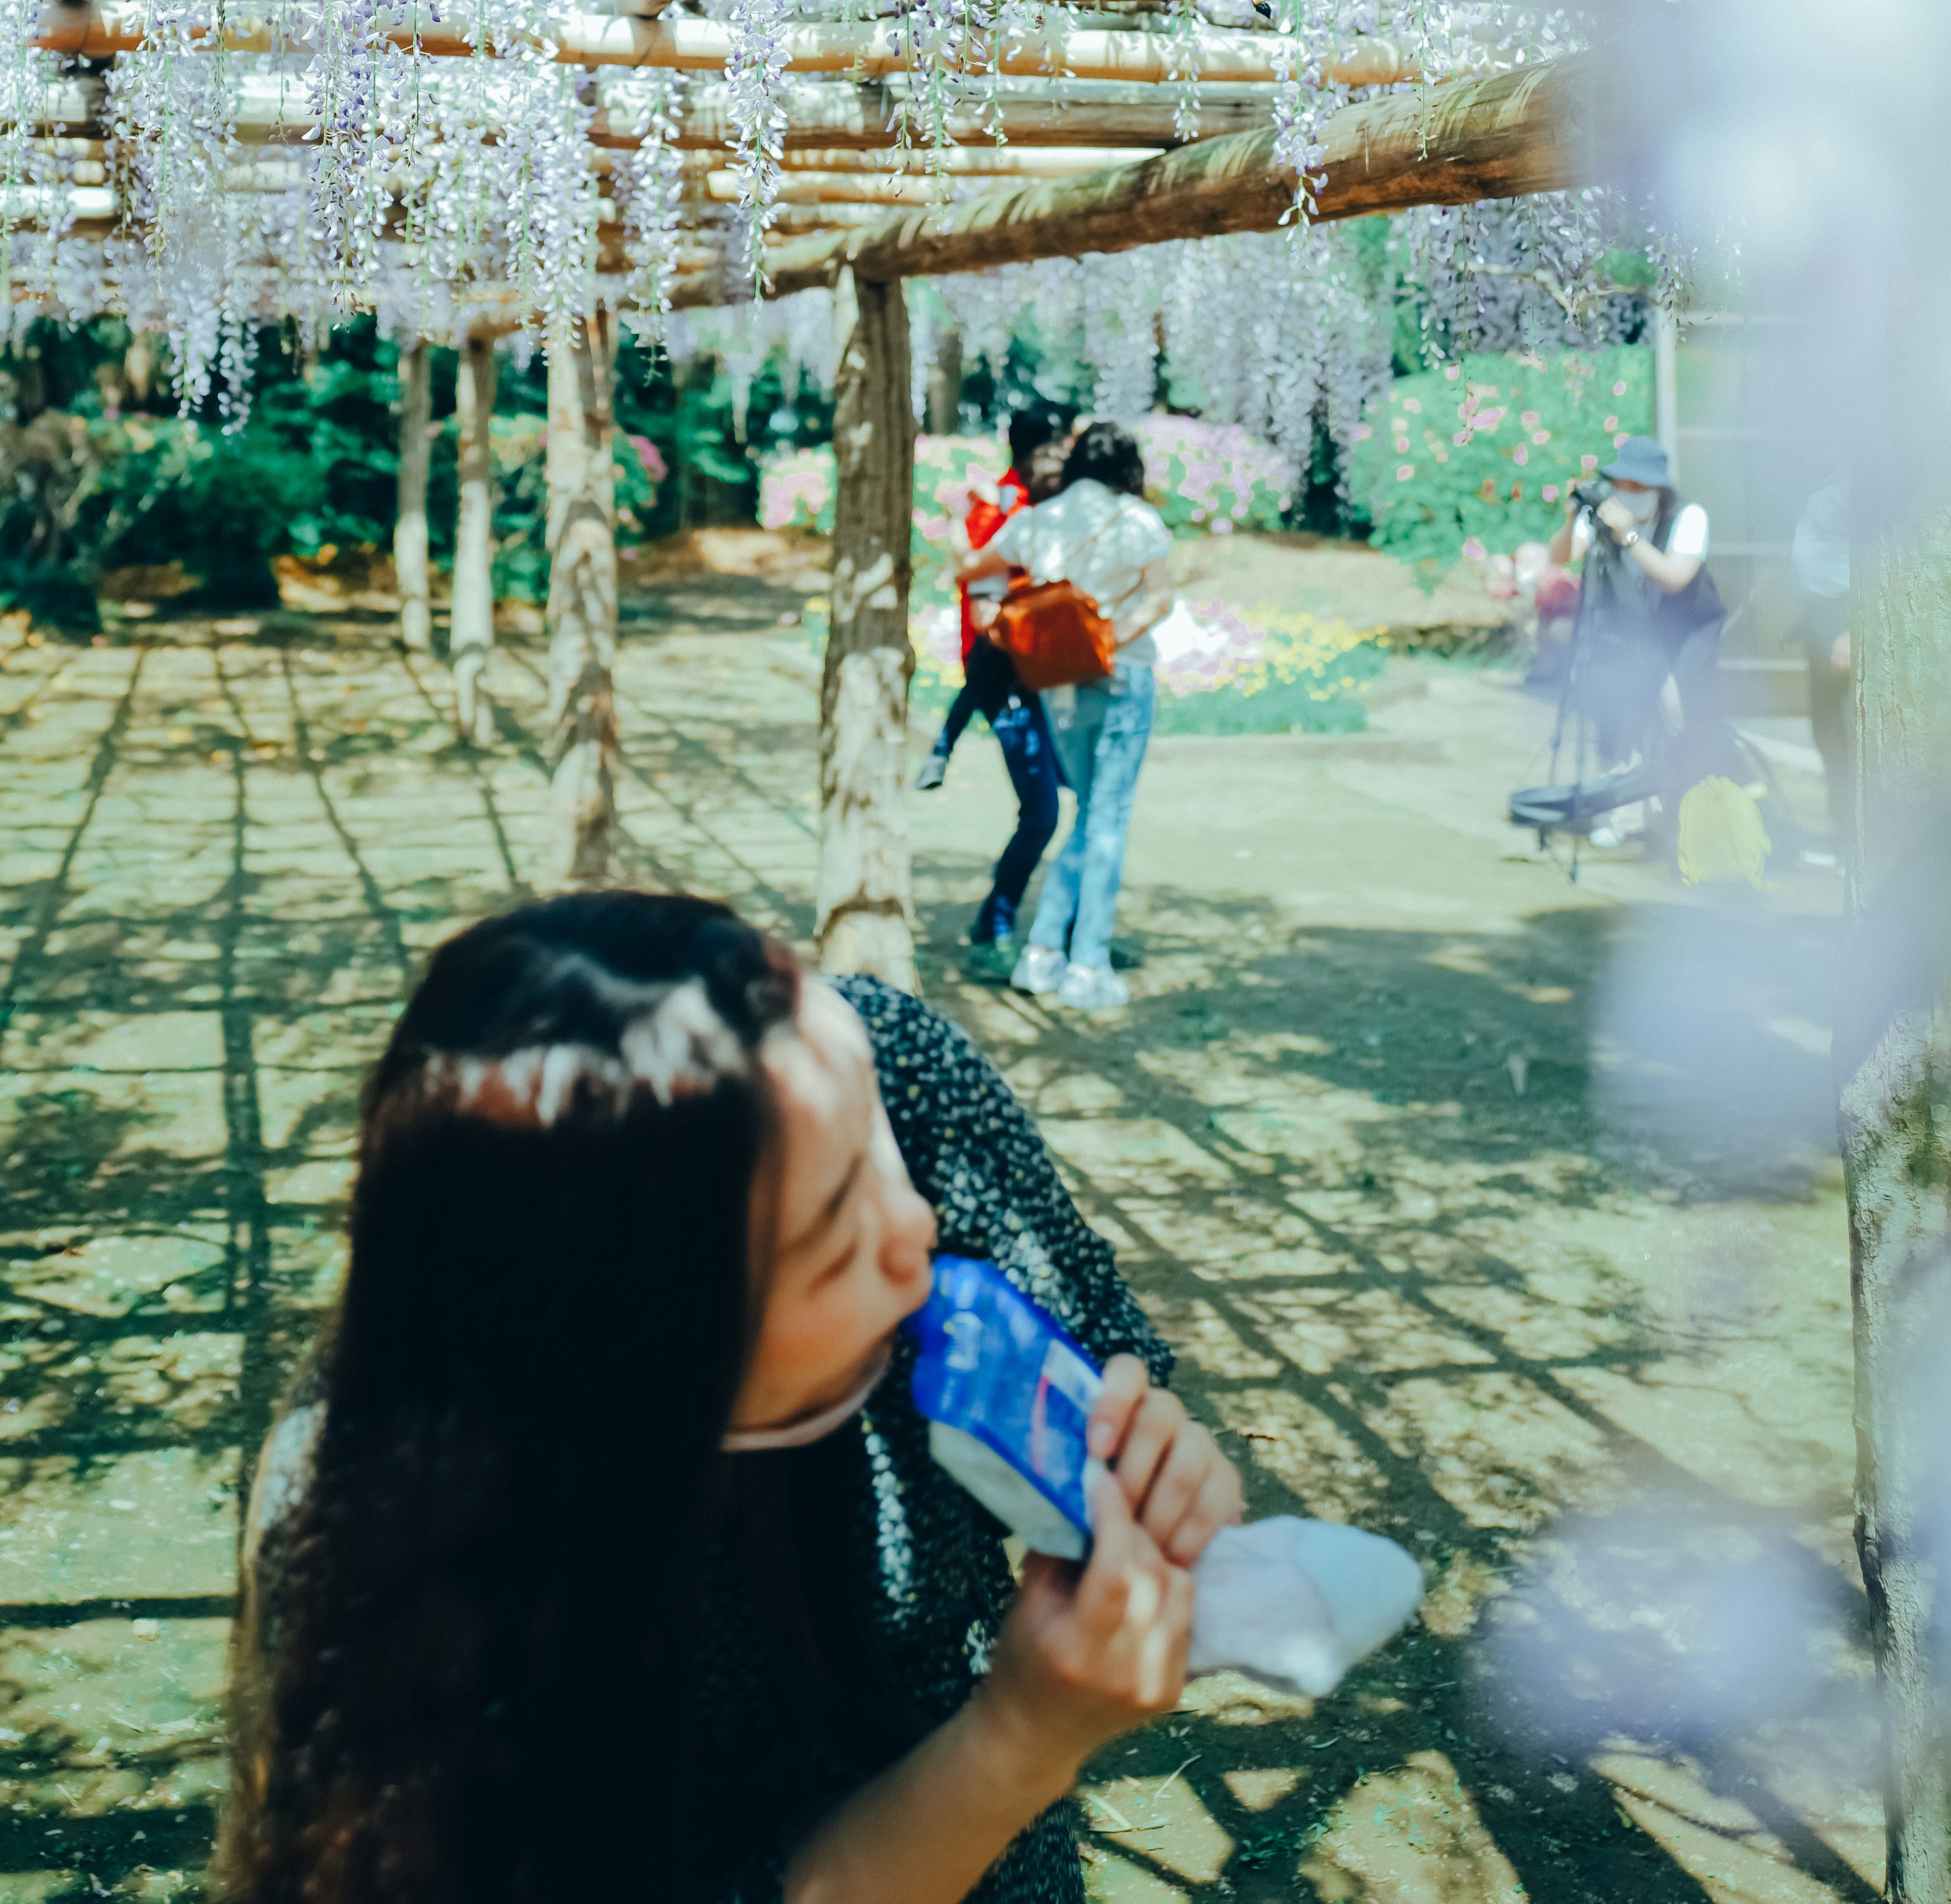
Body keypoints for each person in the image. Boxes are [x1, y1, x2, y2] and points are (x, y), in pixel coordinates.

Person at [222, 888, 1240, 1904]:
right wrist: (1019, 1738)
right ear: (653, 1359)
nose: (917, 1219)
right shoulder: (402, 1558)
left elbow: (1106, 1359)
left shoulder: (871, 1063)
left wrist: (1149, 1474)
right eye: (837, 1232)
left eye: (879, 1139)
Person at [958, 421, 1175, 1014]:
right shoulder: (1136, 520)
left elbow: (973, 567)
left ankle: (1043, 953)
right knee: (1107, 818)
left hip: (1057, 686)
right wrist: (1108, 640)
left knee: (1089, 813)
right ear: (1128, 468)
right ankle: (1086, 963)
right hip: (1121, 677)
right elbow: (1160, 599)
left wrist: (964, 514)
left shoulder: (1038, 518)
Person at [916, 406, 1068, 954]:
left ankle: (1065, 924)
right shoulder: (1008, 511)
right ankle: (995, 924)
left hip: (1044, 679)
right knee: (1044, 811)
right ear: (1046, 453)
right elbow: (982, 605)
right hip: (1007, 678)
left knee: (1080, 801)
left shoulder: (1043, 507)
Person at [1543, 433, 1722, 840]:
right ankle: (1624, 815)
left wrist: (1630, 536)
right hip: (1631, 633)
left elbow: (1676, 578)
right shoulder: (1604, 516)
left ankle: (1681, 811)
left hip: (1685, 632)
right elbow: (1559, 557)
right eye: (1623, 484)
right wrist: (1573, 518)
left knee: (1681, 720)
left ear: (1659, 489)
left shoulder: (1688, 517)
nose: (1630, 493)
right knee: (1619, 715)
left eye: (1640, 487)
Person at [1790, 476, 1851, 853]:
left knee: (1846, 733)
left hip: (1843, 619)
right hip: (1821, 618)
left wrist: (1853, 627)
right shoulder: (1828, 483)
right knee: (1827, 730)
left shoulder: (1865, 484)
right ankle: (1842, 832)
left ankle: (1854, 840)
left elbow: (1879, 560)